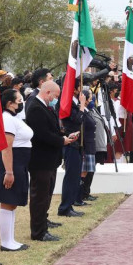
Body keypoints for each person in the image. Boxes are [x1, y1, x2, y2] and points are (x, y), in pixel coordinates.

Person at [26, 81, 75, 242]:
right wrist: (62, 141)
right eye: (55, 96)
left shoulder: (45, 107)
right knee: (40, 196)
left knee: (46, 195)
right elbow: (42, 134)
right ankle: (38, 231)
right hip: (40, 159)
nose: (55, 99)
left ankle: (43, 223)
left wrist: (64, 134)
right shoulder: (35, 107)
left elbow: (51, 129)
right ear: (47, 92)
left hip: (50, 159)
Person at [0, 88, 33, 252]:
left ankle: (10, 239)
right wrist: (9, 172)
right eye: (19, 101)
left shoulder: (14, 118)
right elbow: (6, 148)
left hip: (20, 163)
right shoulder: (7, 119)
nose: (21, 103)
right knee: (8, 202)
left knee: (13, 203)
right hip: (12, 163)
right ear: (9, 103)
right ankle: (5, 242)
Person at [58, 83, 87, 218]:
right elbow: (77, 120)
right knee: (71, 176)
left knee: (75, 176)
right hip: (71, 143)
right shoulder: (68, 103)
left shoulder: (73, 102)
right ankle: (65, 207)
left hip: (78, 143)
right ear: (74, 89)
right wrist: (82, 105)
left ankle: (70, 204)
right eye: (79, 87)